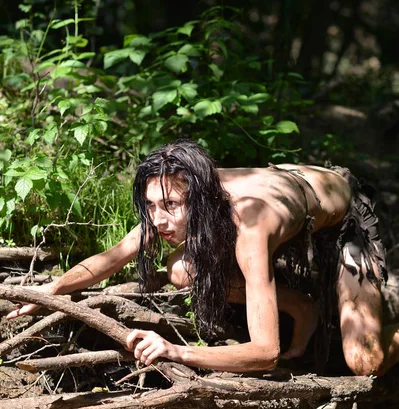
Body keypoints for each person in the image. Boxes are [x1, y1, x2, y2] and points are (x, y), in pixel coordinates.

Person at [6, 139, 398, 376]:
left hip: (340, 221)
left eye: (171, 205)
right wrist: (50, 288)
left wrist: (177, 351)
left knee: (365, 360)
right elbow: (112, 258)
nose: (158, 220)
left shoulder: (250, 226)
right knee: (180, 269)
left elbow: (265, 353)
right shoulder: (180, 195)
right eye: (151, 206)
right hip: (293, 190)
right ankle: (302, 307)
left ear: (201, 198)